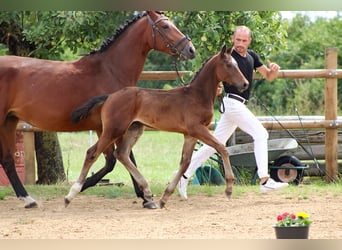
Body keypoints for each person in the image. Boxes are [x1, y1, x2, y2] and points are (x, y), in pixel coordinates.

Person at [177, 25, 288, 200]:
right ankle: (265, 180)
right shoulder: (229, 57)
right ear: (233, 39)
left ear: (249, 41)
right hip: (232, 103)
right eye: (238, 40)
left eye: (244, 41)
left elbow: (268, 76)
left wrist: (274, 70)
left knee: (212, 145)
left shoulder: (252, 56)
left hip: (239, 105)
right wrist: (217, 87)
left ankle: (182, 176)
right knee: (261, 134)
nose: (240, 44)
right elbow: (214, 74)